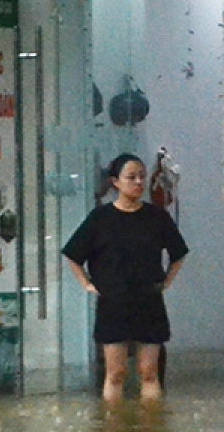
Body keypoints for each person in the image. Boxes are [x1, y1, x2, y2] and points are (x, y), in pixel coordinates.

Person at [63, 153, 189, 401]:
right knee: (115, 373)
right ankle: (113, 429)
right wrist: (87, 284)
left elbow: (179, 253)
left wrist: (166, 282)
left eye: (141, 177)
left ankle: (152, 431)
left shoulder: (157, 217)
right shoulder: (100, 218)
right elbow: (72, 254)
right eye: (131, 177)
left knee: (149, 372)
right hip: (113, 303)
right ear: (115, 182)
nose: (139, 182)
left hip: (149, 301)